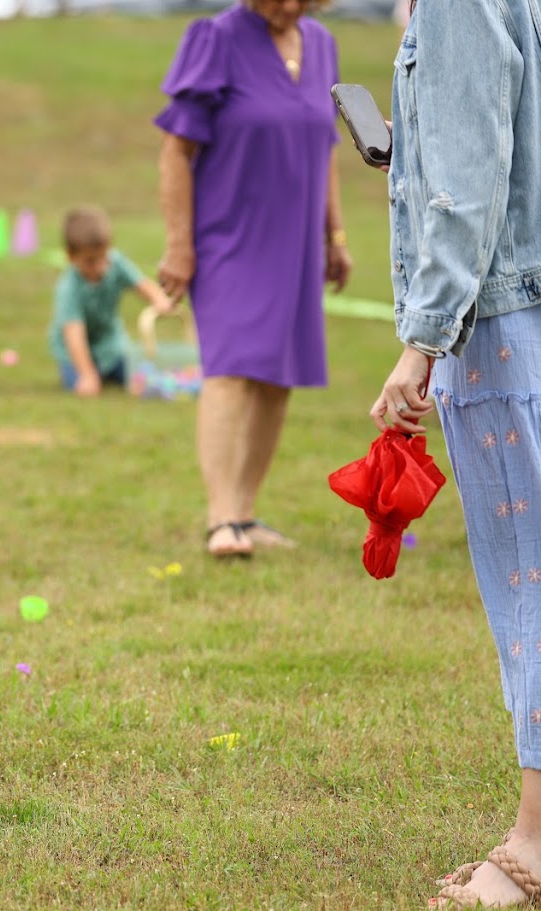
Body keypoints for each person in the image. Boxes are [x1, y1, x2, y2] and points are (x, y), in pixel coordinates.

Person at [370, 0, 541, 906]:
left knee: (533, 586)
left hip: (506, 326)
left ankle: (534, 842)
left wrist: (422, 339)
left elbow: (469, 179)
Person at [155, 0, 353, 558]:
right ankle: (220, 520)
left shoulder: (323, 44)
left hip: (294, 242)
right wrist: (179, 244)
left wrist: (334, 236)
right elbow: (176, 150)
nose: (288, 6)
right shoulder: (214, 38)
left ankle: (244, 512)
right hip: (227, 236)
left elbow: (327, 150)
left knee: (275, 376)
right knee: (231, 366)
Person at [49, 206, 174, 397]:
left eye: (103, 258)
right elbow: (74, 333)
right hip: (75, 352)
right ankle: (91, 373)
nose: (99, 267)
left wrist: (159, 299)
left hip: (110, 345)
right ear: (71, 256)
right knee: (82, 383)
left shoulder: (116, 263)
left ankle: (106, 372)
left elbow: (141, 284)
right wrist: (87, 374)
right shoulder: (69, 288)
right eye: (90, 261)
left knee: (134, 375)